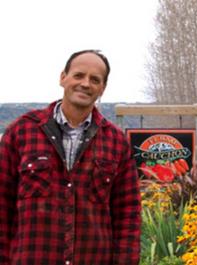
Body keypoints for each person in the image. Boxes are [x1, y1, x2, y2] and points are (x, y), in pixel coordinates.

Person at [0, 50, 141, 265]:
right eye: (78, 75)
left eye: (95, 80)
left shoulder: (116, 143)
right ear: (63, 77)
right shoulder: (22, 132)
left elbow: (128, 215)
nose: (85, 83)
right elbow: (2, 204)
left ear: (102, 89)